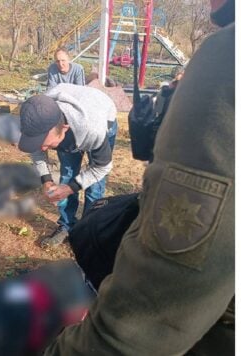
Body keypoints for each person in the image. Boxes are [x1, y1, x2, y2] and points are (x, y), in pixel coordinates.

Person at [45, 1, 234, 353]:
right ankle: (68, 224)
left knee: (94, 202)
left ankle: (87, 219)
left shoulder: (228, 58)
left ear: (64, 128)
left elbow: (153, 310)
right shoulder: (42, 111)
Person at [18, 84, 118, 247]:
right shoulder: (34, 117)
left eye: (47, 144)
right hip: (74, 117)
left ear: (63, 129)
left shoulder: (93, 129)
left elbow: (102, 167)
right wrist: (46, 179)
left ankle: (89, 228)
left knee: (95, 185)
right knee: (67, 175)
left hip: (102, 114)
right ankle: (66, 225)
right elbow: (36, 149)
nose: (43, 149)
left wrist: (72, 188)